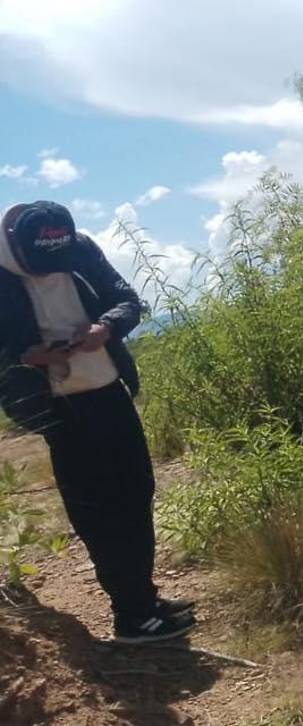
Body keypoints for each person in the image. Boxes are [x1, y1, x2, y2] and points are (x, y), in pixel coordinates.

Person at [0, 201, 195, 643]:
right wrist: (27, 356)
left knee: (136, 494)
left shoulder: (80, 249)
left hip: (110, 394)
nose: (56, 271)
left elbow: (126, 299)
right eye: (45, 265)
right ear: (18, 248)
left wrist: (103, 330)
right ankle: (132, 614)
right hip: (58, 412)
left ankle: (143, 601)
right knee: (97, 511)